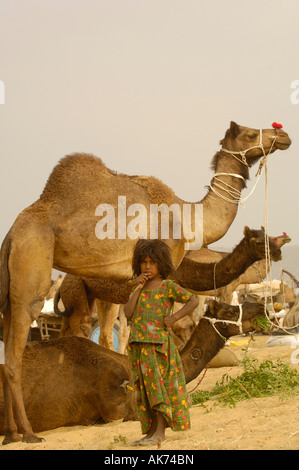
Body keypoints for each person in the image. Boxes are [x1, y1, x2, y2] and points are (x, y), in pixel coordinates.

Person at [124, 239, 199, 446]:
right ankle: (149, 433)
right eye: (144, 262)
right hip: (139, 346)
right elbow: (128, 313)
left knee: (158, 389)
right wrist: (138, 287)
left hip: (157, 347)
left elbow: (193, 300)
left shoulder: (167, 287)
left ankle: (159, 433)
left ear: (161, 264)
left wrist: (174, 318)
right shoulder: (138, 288)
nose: (147, 267)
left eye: (152, 262)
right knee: (146, 391)